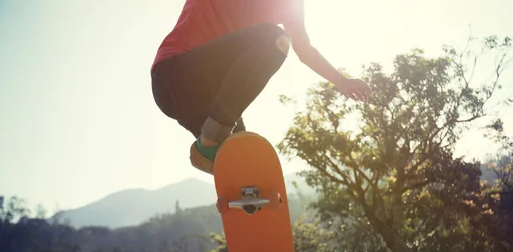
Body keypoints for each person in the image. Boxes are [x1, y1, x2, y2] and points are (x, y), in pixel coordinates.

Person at [150, 0, 372, 176]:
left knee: (247, 170)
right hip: (176, 75)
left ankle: (233, 203)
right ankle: (211, 139)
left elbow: (304, 50)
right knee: (273, 38)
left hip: (210, 99)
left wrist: (342, 81)